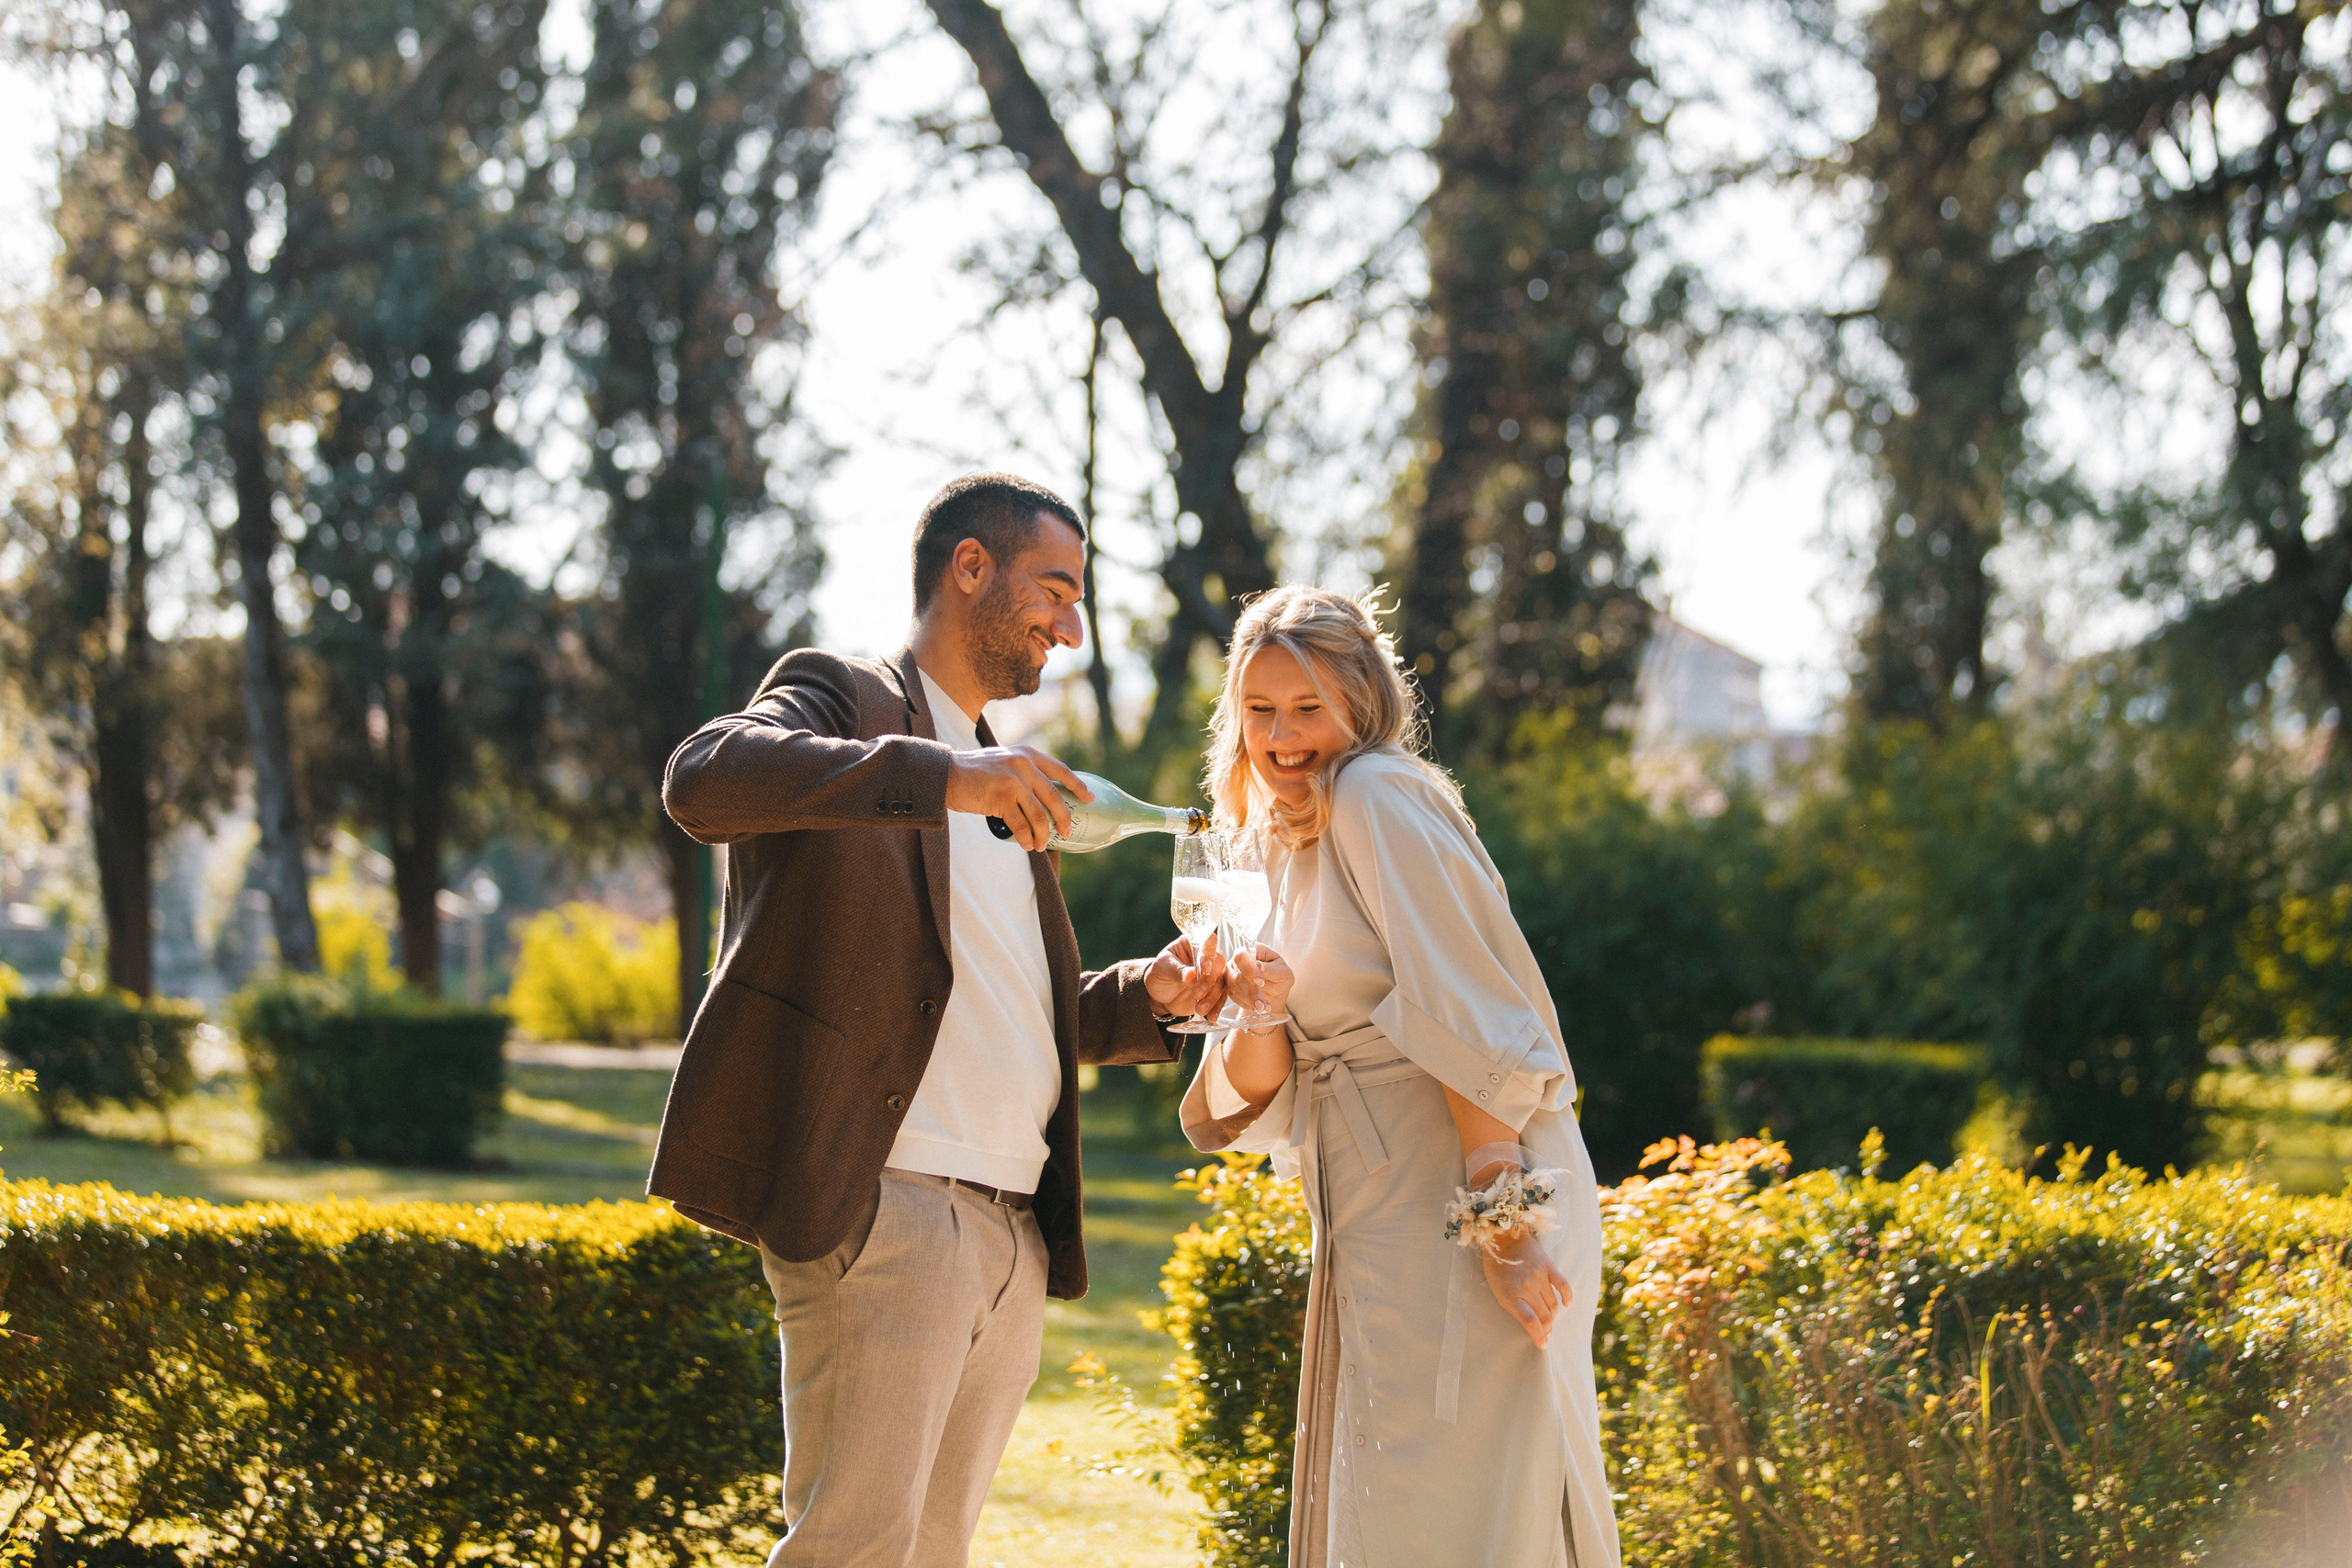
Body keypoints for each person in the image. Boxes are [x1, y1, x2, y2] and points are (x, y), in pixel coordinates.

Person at [652, 472, 1229, 1568]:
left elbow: (1007, 1004)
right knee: (852, 1552)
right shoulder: (850, 699)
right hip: (890, 1207)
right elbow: (701, 780)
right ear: (971, 566)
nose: (1071, 624)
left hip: (1014, 1224)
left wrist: (1146, 997)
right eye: (1054, 589)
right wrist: (947, 775)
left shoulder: (1007, 780)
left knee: (931, 1556)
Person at [1182, 585, 1623, 1568]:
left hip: (1467, 1183)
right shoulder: (1261, 843)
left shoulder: (1374, 793)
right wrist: (1254, 1003)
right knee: (1397, 1509)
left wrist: (1502, 1223)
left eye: (1308, 708)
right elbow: (1262, 1081)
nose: (1281, 736)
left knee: (1470, 1510)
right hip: (1372, 1204)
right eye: (1259, 710)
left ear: (1362, 704)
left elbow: (1463, 1007)